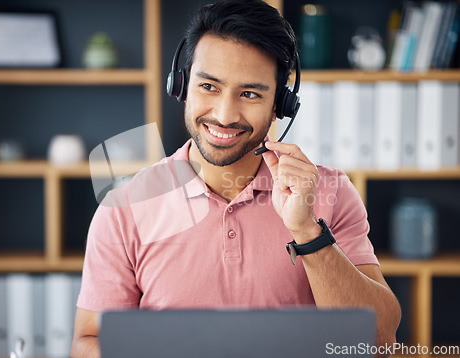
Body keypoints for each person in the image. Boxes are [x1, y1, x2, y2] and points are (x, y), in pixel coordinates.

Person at [71, 1, 401, 357]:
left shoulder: (330, 192)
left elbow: (379, 341)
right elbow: (88, 342)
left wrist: (307, 231)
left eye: (249, 94)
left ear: (281, 105)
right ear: (180, 86)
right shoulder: (125, 208)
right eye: (209, 87)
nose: (224, 115)